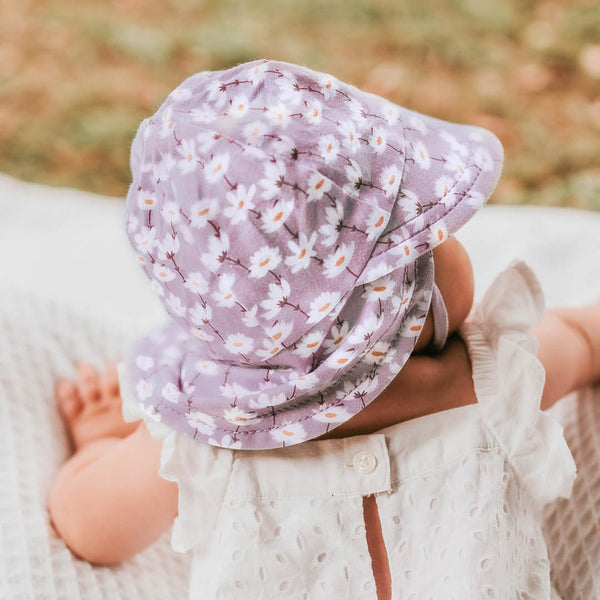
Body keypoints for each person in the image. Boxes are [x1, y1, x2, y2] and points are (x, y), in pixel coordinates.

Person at [48, 60, 599, 599]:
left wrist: (98, 441)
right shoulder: (496, 380)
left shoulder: (201, 447)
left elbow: (85, 525)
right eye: (430, 237)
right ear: (412, 305)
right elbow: (588, 337)